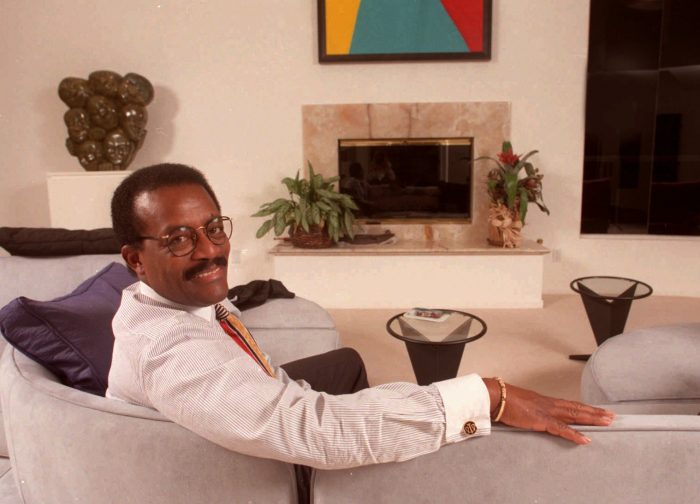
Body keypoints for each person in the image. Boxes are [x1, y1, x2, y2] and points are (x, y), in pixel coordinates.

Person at [107, 163, 614, 502]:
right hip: (240, 476)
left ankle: (376, 457)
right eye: (178, 239)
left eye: (213, 228)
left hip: (245, 415)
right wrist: (483, 395)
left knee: (346, 362)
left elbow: (262, 386)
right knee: (392, 423)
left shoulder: (186, 305)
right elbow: (310, 431)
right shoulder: (171, 351)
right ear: (135, 260)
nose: (208, 251)